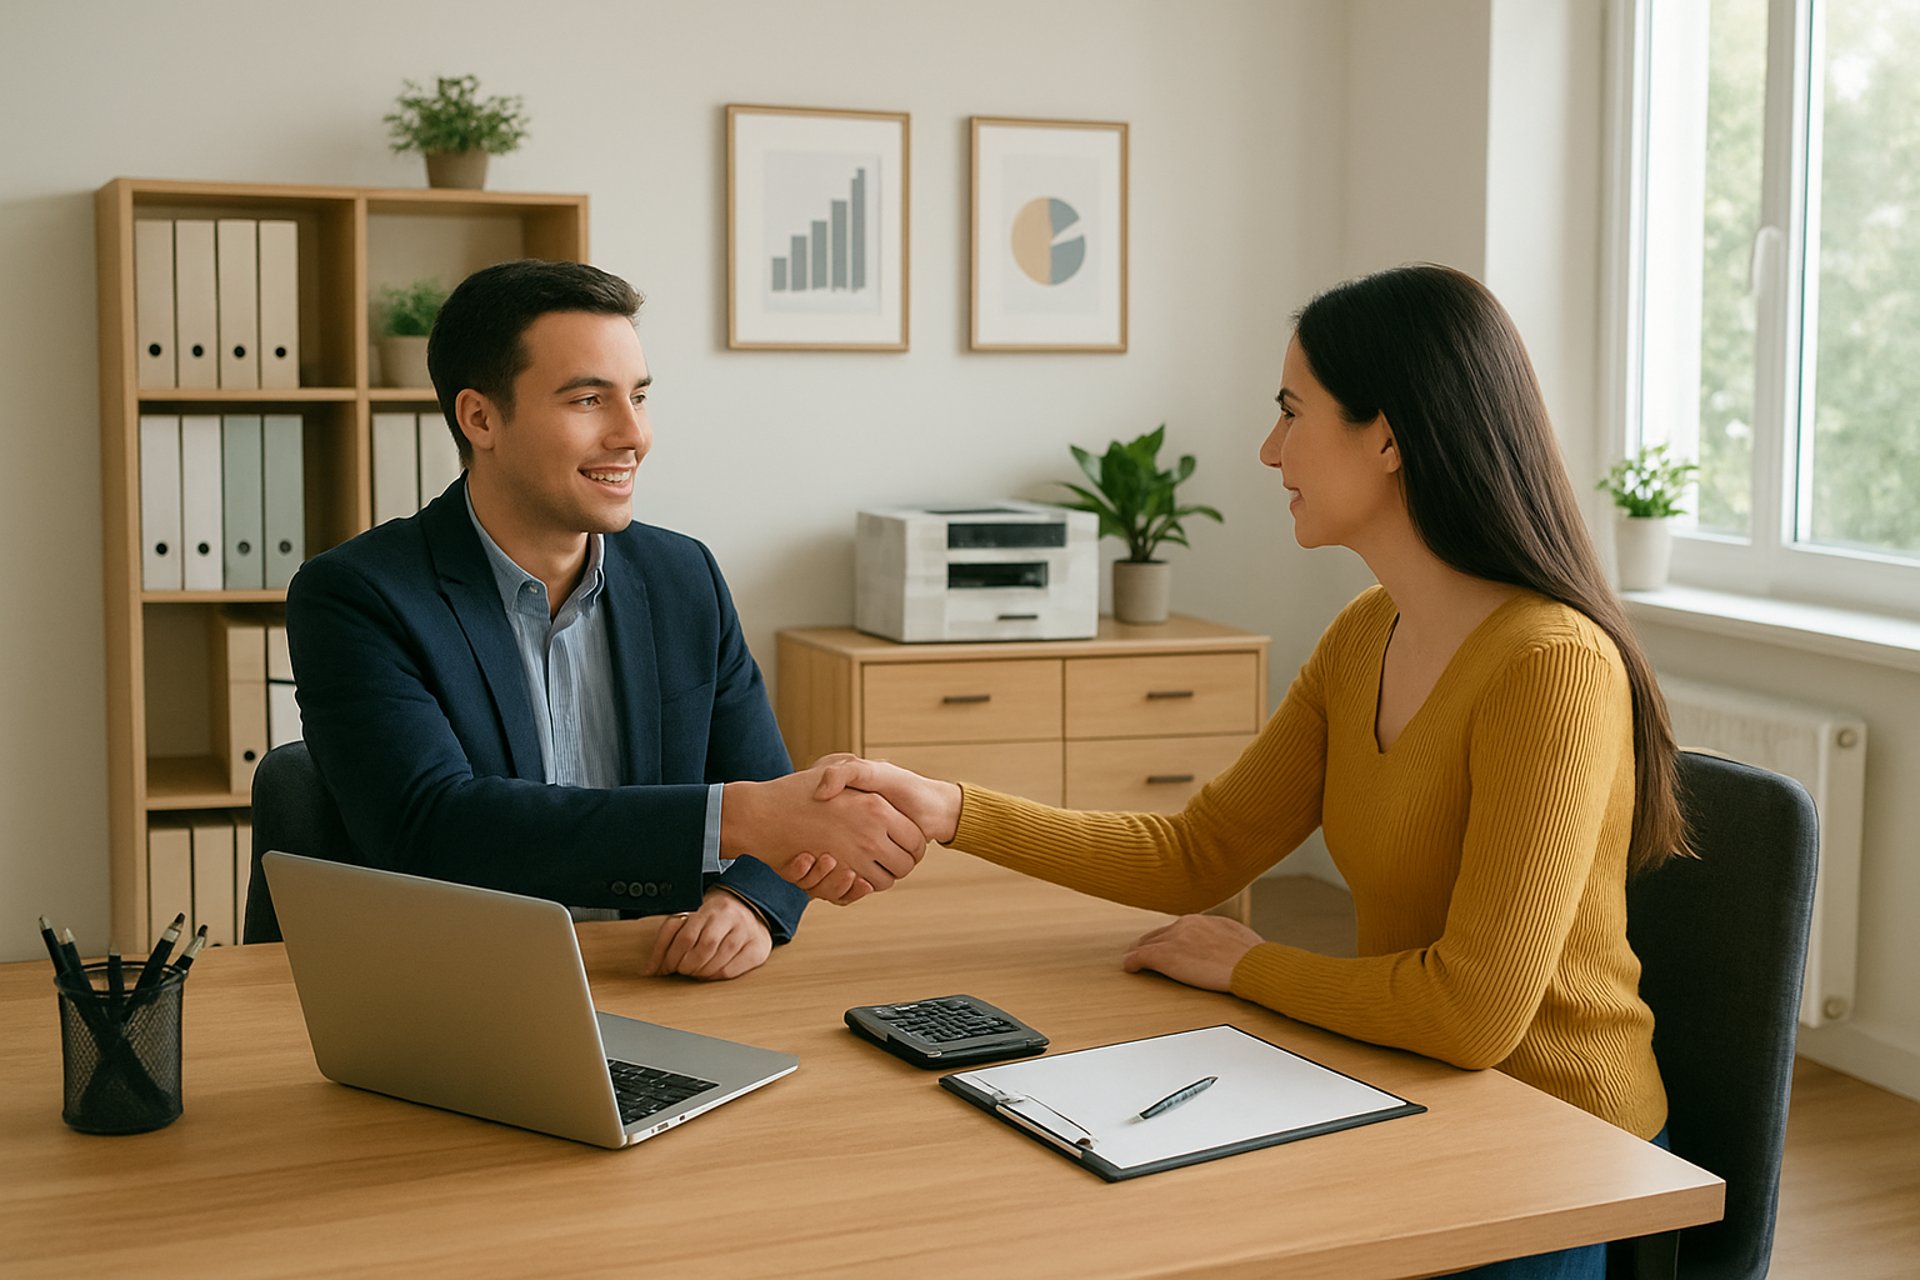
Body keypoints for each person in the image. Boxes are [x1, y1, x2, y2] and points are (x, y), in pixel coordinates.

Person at [804, 264, 1688, 1278]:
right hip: (1414, 1088)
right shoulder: (1366, 633)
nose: (1270, 450)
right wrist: (951, 808)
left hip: (1557, 1144)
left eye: (1291, 411)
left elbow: (1472, 1012)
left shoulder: (1551, 665)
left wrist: (1247, 964)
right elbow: (1203, 851)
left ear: (1389, 437)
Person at [287, 259, 920, 982]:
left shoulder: (683, 577)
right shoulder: (357, 595)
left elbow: (771, 797)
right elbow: (432, 827)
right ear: (480, 418)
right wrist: (738, 819)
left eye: (639, 397)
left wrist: (747, 901)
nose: (633, 435)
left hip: (651, 977)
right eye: (589, 400)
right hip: (460, 986)